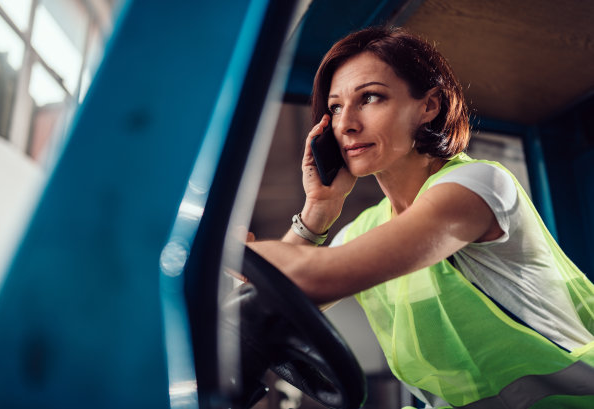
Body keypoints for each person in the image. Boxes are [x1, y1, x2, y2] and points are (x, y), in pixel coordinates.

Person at [248, 26, 594, 408]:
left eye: (370, 98)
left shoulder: (476, 186)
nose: (346, 124)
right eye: (335, 107)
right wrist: (318, 209)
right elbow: (276, 300)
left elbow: (313, 275)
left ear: (428, 106)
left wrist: (218, 246)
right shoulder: (364, 228)